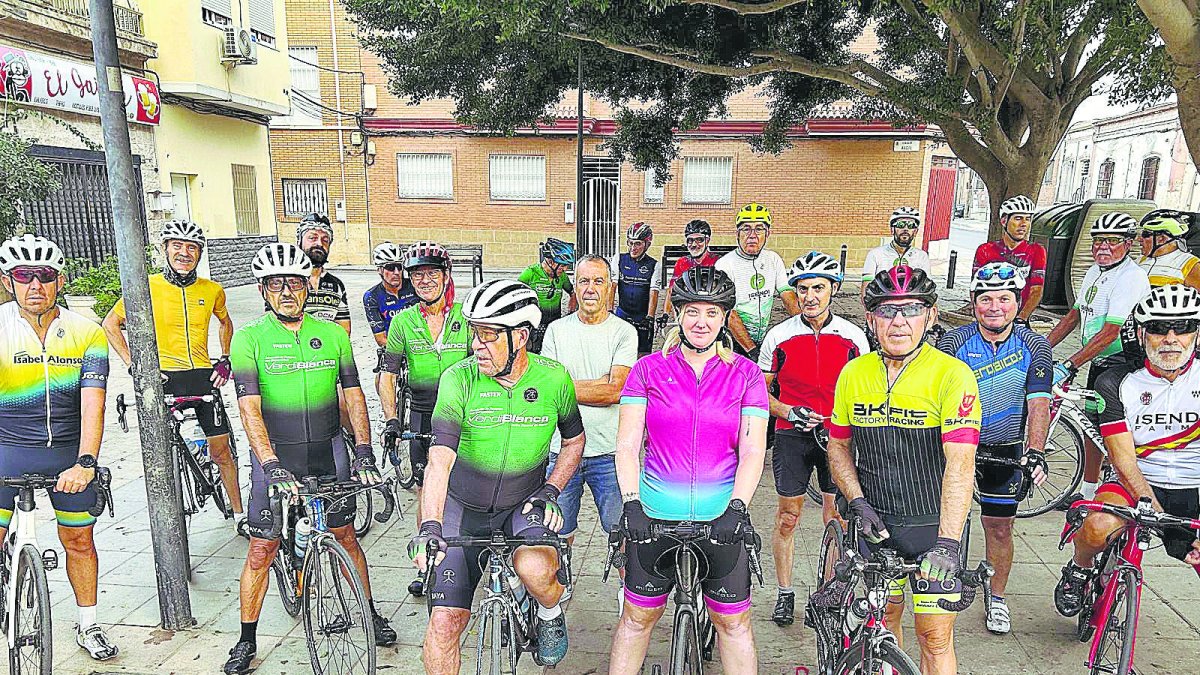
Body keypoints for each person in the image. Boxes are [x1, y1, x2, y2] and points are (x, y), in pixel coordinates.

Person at [223, 243, 393, 675]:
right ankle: (246, 639)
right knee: (262, 548)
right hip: (276, 457)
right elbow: (249, 407)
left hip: (328, 450)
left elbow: (354, 394)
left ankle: (368, 612)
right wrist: (269, 462)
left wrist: (365, 449)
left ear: (306, 286)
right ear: (263, 289)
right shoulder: (249, 339)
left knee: (347, 537)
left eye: (294, 283)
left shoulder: (333, 334)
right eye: (276, 284)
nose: (286, 292)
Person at [408, 279, 585, 672]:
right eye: (475, 334)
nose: (477, 345)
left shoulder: (554, 379)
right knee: (444, 622)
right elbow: (439, 460)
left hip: (523, 505)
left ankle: (550, 613)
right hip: (463, 509)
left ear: (521, 337)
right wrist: (431, 525)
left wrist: (552, 490)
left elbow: (574, 441)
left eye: (489, 336)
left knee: (537, 572)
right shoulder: (459, 379)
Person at [609, 267, 769, 675]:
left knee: (733, 624)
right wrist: (631, 505)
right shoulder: (648, 370)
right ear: (677, 314)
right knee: (636, 619)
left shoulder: (746, 375)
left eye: (712, 313)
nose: (702, 321)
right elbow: (627, 445)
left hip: (722, 519)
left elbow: (752, 450)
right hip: (655, 516)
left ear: (724, 318)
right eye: (692, 311)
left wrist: (738, 507)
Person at [828, 265, 980, 675]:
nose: (898, 321)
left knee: (934, 636)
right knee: (885, 625)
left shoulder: (952, 375)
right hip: (877, 524)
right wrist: (855, 499)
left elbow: (961, 465)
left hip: (933, 529)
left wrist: (948, 541)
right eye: (886, 310)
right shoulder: (853, 373)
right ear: (871, 318)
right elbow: (839, 446)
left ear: (930, 316)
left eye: (911, 309)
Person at [0, 234, 119, 660]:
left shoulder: (86, 333)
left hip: (67, 454)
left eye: (45, 275)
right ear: (7, 280)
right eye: (23, 275)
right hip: (7, 450)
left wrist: (86, 462)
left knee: (80, 541)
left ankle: (89, 625)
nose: (35, 285)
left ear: (60, 280)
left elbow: (94, 403)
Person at [1055, 284, 1200, 617]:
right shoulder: (1116, 381)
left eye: (1185, 327)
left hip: (1193, 487)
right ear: (1140, 332)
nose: (1171, 338)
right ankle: (1079, 567)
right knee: (1096, 527)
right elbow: (1123, 461)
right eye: (1159, 328)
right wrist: (1166, 522)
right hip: (1134, 482)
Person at [937, 262, 1053, 635]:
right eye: (986, 298)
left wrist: (1035, 450)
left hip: (1004, 448)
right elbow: (939, 396)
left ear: (1017, 303)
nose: (995, 306)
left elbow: (1038, 401)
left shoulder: (1034, 345)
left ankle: (997, 597)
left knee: (999, 528)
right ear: (973, 303)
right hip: (956, 445)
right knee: (940, 519)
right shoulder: (954, 342)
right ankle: (939, 583)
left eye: (1004, 298)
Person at [102, 220, 243, 526]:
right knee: (162, 455)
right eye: (177, 246)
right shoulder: (146, 286)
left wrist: (226, 358)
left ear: (200, 253)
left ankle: (238, 513)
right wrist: (134, 365)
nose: (184, 253)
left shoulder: (212, 290)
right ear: (164, 249)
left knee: (221, 451)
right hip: (164, 378)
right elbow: (110, 324)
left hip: (203, 376)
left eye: (192, 247)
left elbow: (225, 322)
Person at [757, 251, 869, 627]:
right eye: (802, 289)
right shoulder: (780, 336)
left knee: (834, 516)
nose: (810, 296)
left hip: (838, 436)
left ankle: (828, 591)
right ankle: (785, 592)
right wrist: (788, 412)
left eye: (818, 288)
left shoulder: (853, 337)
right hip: (794, 435)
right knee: (788, 516)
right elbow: (760, 394)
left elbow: (866, 391)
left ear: (833, 289)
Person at [378, 241, 470, 598]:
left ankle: (466, 557)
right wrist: (390, 419)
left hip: (462, 415)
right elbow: (387, 374)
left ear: (446, 276)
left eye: (432, 273)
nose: (425, 280)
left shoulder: (465, 317)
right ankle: (427, 562)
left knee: (466, 489)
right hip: (421, 416)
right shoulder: (402, 322)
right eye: (418, 274)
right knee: (424, 490)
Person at [1047, 212, 1150, 500]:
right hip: (1099, 360)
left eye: (1112, 241)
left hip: (1123, 362)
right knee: (1090, 428)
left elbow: (1110, 332)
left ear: (1128, 244)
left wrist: (1069, 364)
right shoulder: (1096, 271)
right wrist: (1041, 345)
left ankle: (1125, 484)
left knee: (1110, 429)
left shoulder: (1131, 277)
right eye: (1097, 240)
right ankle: (1087, 492)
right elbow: (1073, 317)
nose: (1102, 247)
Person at [542, 254, 637, 548]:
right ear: (575, 285)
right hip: (562, 451)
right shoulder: (557, 330)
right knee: (558, 532)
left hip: (609, 452)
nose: (590, 288)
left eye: (598, 281)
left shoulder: (624, 332)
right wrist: (600, 382)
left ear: (611, 287)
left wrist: (566, 384)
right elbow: (548, 390)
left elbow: (615, 392)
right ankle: (562, 581)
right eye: (584, 281)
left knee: (620, 533)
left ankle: (628, 590)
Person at [714, 203, 800, 361]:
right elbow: (727, 312)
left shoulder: (773, 259)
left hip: (762, 337)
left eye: (759, 228)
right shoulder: (725, 265)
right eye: (746, 228)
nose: (752, 235)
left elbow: (787, 295)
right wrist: (752, 351)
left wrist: (806, 323)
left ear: (768, 233)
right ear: (737, 233)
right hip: (732, 339)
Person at [971, 196, 1047, 322]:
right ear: (1004, 221)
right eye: (1018, 218)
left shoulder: (1036, 251)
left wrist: (1021, 318)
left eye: (1027, 219)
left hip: (1018, 317)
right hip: (991, 316)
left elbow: (1037, 290)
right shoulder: (985, 250)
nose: (1023, 224)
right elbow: (975, 288)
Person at [292, 212, 351, 333]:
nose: (319, 243)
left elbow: (344, 330)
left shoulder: (336, 285)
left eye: (325, 240)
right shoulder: (285, 282)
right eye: (312, 238)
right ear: (299, 241)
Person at [610, 222, 663, 355]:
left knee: (642, 356)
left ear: (647, 244)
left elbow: (654, 292)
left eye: (638, 243)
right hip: (622, 313)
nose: (633, 247)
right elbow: (612, 287)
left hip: (642, 316)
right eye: (630, 243)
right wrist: (609, 311)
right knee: (618, 353)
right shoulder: (619, 259)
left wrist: (650, 317)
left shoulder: (654, 265)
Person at [860, 206, 932, 303]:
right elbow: (866, 289)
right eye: (900, 224)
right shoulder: (875, 254)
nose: (906, 229)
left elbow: (928, 289)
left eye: (911, 225)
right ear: (892, 229)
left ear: (915, 231)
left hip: (911, 309)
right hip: (883, 307)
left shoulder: (922, 256)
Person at [518, 238, 577, 353]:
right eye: (562, 265)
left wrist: (571, 310)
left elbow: (572, 292)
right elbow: (515, 294)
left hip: (554, 323)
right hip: (534, 325)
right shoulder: (530, 273)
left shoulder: (562, 277)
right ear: (550, 261)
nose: (565, 269)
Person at [364, 241, 418, 349]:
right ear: (379, 270)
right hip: (395, 347)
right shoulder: (372, 296)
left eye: (399, 267)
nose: (397, 272)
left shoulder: (414, 286)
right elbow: (381, 339)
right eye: (391, 267)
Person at [665, 219, 719, 314]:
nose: (694, 244)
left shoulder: (718, 262)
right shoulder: (682, 262)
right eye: (690, 240)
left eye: (699, 240)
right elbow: (671, 291)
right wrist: (665, 314)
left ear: (707, 240)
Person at [1137, 209, 1200, 288]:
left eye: (1145, 234)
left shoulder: (1190, 265)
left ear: (1162, 239)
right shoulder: (1140, 260)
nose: (1139, 239)